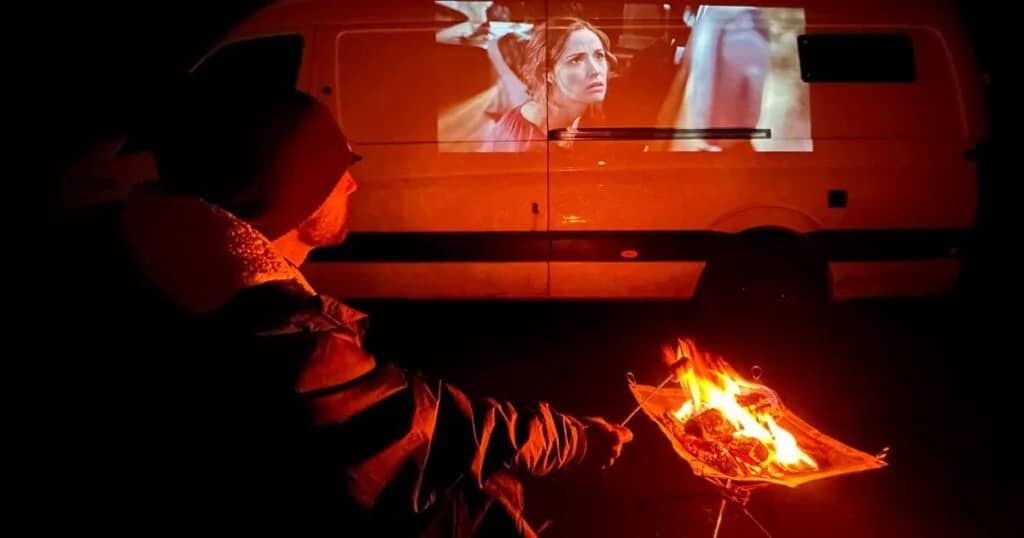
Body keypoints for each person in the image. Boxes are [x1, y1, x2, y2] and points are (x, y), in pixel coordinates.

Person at [57, 88, 632, 537]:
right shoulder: (288, 348)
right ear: (293, 195)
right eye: (336, 174)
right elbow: (441, 434)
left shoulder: (163, 275)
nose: (353, 184)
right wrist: (573, 439)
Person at [487, 17, 617, 151]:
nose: (595, 70)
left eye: (599, 56)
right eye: (575, 60)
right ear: (547, 74)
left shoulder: (598, 108)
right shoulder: (520, 142)